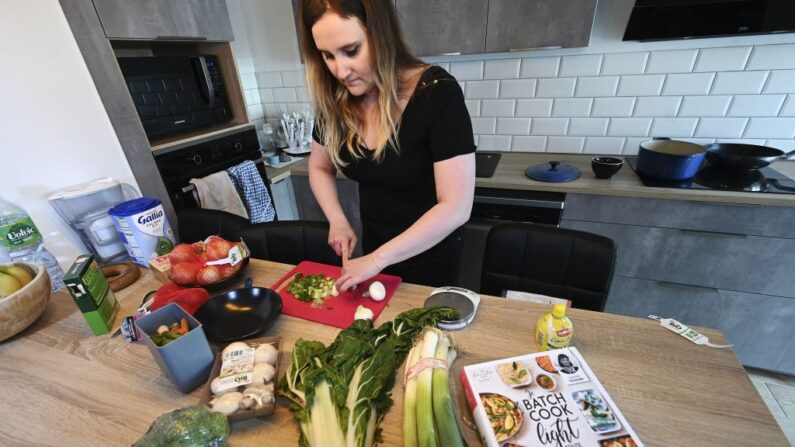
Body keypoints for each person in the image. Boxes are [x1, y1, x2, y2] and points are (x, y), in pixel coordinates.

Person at [297, 0, 476, 291]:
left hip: (429, 257)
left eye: (351, 50)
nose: (341, 71)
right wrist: (338, 220)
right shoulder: (336, 100)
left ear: (382, 34)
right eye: (327, 56)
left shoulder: (437, 93)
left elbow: (456, 206)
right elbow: (319, 166)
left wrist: (377, 260)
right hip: (373, 250)